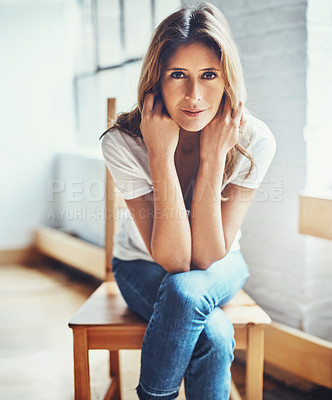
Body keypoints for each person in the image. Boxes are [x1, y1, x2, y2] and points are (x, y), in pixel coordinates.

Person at [100, 2, 276, 399]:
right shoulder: (123, 142)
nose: (194, 95)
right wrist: (160, 155)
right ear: (156, 80)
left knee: (187, 292)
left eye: (209, 75)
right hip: (140, 266)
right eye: (178, 74)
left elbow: (206, 257)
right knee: (211, 332)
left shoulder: (254, 141)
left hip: (223, 262)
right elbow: (175, 261)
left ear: (227, 77)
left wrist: (214, 157)